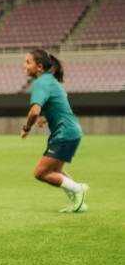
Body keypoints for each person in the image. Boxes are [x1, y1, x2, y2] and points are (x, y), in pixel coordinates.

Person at [20, 49, 88, 213]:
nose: (24, 66)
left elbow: (34, 111)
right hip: (70, 131)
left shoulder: (41, 83)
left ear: (39, 67)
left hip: (64, 133)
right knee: (55, 171)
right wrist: (46, 117)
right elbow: (59, 103)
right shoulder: (51, 80)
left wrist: (26, 128)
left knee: (40, 173)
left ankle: (78, 189)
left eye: (28, 62)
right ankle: (78, 202)